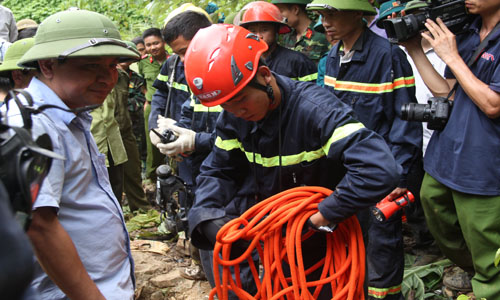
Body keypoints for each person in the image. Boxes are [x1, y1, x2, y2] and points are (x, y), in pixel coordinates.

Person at [184, 23, 401, 299]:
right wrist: (207, 216)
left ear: (264, 76)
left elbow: (379, 169)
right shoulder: (233, 119)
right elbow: (218, 170)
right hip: (276, 238)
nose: (236, 113)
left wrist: (323, 215)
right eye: (225, 106)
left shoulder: (316, 111)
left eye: (241, 101)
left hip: (325, 239)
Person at [8, 9, 139, 299]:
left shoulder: (68, 115)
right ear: (47, 66)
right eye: (91, 66)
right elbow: (39, 227)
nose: (108, 78)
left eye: (113, 65)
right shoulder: (31, 126)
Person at [307, 0, 423, 299]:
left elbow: (405, 122)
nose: (325, 22)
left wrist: (397, 179)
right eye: (322, 15)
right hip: (345, 176)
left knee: (381, 251)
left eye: (332, 14)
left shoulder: (388, 57)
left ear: (359, 14)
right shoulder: (333, 55)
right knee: (347, 245)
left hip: (380, 177)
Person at [402, 0, 500, 298]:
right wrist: (415, 50)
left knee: (486, 238)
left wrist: (452, 56)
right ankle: (476, 272)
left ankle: (489, 288)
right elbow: (448, 93)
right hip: (447, 153)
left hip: (485, 161)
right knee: (436, 211)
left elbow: (492, 105)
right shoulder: (469, 33)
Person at [149, 9, 218, 285]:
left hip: (227, 165)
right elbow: (185, 105)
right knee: (193, 203)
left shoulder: (227, 66)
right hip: (198, 156)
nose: (183, 59)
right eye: (177, 53)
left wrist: (195, 140)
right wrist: (170, 128)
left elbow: (242, 133)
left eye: (184, 50)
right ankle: (203, 265)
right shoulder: (183, 64)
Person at [236, 1, 318, 82]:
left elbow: (312, 92)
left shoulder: (298, 61)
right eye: (253, 31)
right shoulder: (243, 63)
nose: (258, 36)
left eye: (264, 30)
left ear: (276, 30)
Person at [138, 27, 168, 185]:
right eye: (148, 45)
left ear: (163, 42)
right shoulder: (143, 63)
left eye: (156, 43)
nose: (152, 47)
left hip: (171, 106)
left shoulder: (174, 59)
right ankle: (151, 178)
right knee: (152, 144)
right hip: (151, 108)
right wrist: (146, 97)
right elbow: (140, 82)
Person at [271, 0, 330, 64]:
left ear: (295, 10)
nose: (279, 16)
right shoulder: (286, 37)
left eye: (281, 11)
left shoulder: (322, 35)